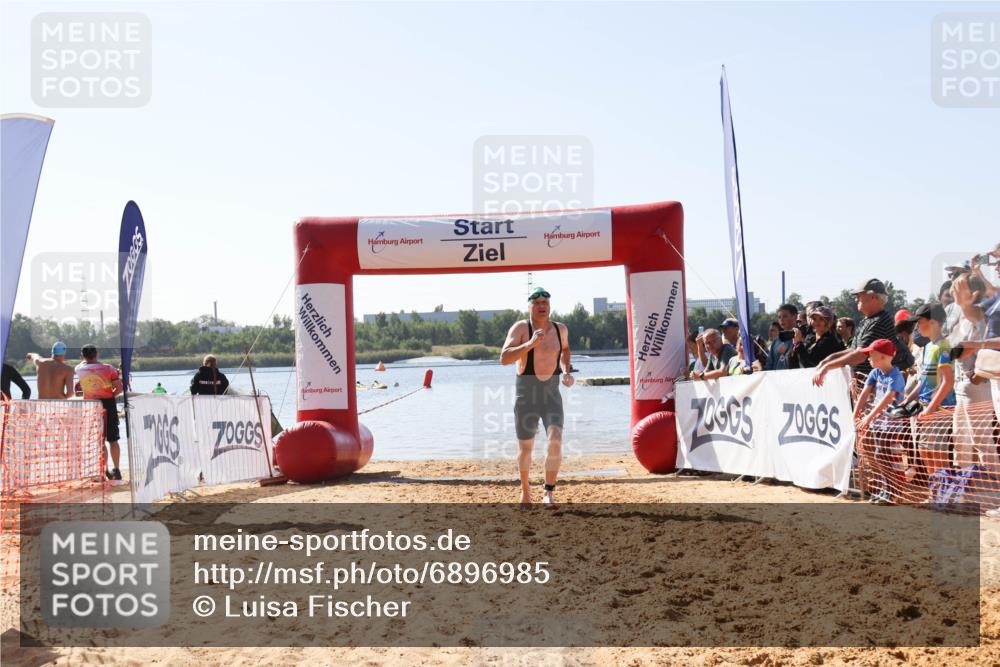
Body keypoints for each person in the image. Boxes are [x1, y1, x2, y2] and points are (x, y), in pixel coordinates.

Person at [500, 287, 573, 505]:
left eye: (545, 303)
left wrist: (567, 370)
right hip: (526, 396)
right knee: (526, 448)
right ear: (530, 306)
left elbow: (566, 350)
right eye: (537, 303)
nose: (542, 307)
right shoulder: (521, 328)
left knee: (556, 440)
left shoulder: (560, 329)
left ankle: (548, 492)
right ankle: (525, 490)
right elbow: (504, 358)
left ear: (550, 306)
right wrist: (529, 344)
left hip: (551, 395)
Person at [813, 279, 914, 388]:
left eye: (860, 296)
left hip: (875, 389)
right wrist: (826, 361)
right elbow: (853, 350)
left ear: (873, 297)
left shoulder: (879, 322)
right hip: (866, 386)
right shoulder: (868, 320)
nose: (856, 299)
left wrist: (827, 366)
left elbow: (860, 356)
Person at [902, 304, 956, 486]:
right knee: (925, 451)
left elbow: (948, 382)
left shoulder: (945, 346)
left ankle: (944, 495)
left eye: (920, 322)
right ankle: (936, 492)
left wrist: (931, 409)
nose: (917, 327)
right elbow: (923, 381)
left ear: (933, 322)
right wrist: (908, 400)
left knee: (938, 453)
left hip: (940, 410)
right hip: (924, 410)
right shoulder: (926, 347)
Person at [852, 339, 911, 502]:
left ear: (884, 357)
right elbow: (865, 393)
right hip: (879, 423)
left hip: (891, 424)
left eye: (872, 355)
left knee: (882, 455)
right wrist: (855, 412)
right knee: (882, 456)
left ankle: (892, 491)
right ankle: (888, 491)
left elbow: (887, 399)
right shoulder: (875, 373)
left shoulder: (896, 376)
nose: (869, 358)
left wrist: (868, 417)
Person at [948, 273, 994, 473]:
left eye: (959, 287)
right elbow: (952, 350)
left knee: (981, 438)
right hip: (962, 383)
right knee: (961, 438)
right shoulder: (961, 320)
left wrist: (977, 377)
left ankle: (993, 485)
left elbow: (962, 352)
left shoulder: (982, 317)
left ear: (973, 293)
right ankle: (963, 488)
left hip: (977, 384)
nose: (954, 290)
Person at [75, 344, 124, 481]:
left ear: (82, 356)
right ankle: (117, 470)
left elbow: (82, 364)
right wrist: (112, 395)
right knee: (113, 439)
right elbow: (119, 388)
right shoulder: (108, 368)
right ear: (97, 354)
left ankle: (104, 471)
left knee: (100, 441)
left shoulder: (79, 369)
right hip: (108, 403)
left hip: (92, 405)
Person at [765, 304, 798, 371]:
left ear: (795, 317)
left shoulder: (800, 337)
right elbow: (769, 364)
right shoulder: (776, 340)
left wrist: (786, 352)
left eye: (785, 316)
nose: (781, 319)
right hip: (776, 379)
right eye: (779, 317)